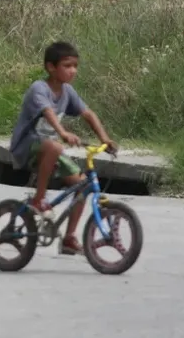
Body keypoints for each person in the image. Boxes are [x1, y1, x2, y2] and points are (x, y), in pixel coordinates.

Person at [8, 41, 118, 255]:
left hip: (51, 148)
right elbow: (48, 111)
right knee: (54, 146)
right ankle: (40, 199)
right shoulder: (39, 88)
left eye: (75, 66)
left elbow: (88, 114)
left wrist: (105, 139)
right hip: (26, 147)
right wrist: (63, 132)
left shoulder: (67, 91)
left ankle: (69, 239)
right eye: (67, 66)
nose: (73, 71)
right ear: (51, 67)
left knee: (82, 185)